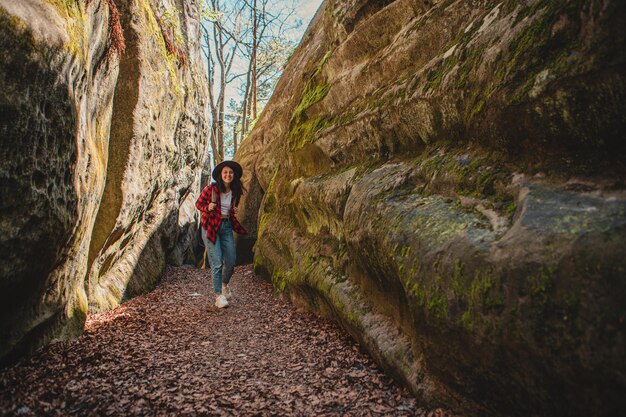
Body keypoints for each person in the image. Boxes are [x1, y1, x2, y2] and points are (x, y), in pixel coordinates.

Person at [196, 160, 247, 308]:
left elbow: (231, 208)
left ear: (234, 175)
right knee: (217, 261)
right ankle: (218, 296)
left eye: (230, 172)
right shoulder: (211, 188)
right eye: (225, 172)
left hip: (226, 226)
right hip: (210, 227)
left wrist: (233, 211)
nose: (228, 175)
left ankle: (224, 284)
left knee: (231, 261)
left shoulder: (235, 191)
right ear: (220, 174)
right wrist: (207, 207)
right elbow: (198, 204)